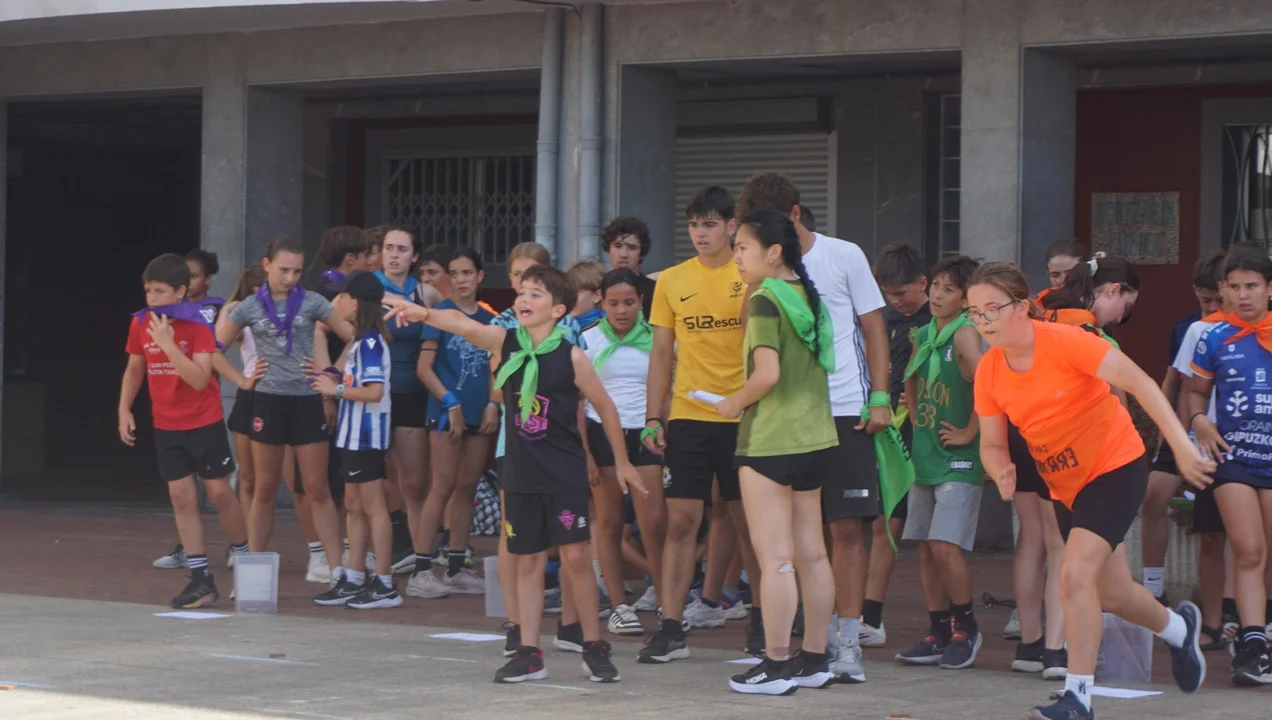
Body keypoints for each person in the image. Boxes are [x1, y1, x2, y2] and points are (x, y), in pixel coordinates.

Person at [969, 261, 1208, 720]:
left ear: (1021, 306)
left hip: (1115, 465)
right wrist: (999, 469)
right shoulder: (989, 371)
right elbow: (992, 443)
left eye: (991, 309)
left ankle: (1077, 697)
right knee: (1113, 593)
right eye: (974, 312)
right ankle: (1179, 630)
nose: (983, 321)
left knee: (1074, 573)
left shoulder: (1067, 342)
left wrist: (1181, 445)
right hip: (1065, 485)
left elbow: (1140, 384)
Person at [384, 264, 642, 684]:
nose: (524, 299)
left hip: (563, 473)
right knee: (527, 560)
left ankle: (593, 646)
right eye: (522, 292)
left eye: (536, 294)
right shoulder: (506, 342)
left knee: (577, 557)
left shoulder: (571, 356)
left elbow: (605, 408)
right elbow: (463, 325)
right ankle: (529, 650)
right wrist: (424, 313)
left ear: (557, 310)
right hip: (521, 472)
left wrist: (623, 462)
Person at [736, 173, 890, 682]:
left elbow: (872, 325)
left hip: (845, 409)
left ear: (795, 215)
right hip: (787, 419)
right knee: (803, 541)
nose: (741, 250)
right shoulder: (760, 277)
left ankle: (844, 644)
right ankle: (804, 648)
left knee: (844, 529)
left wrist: (880, 397)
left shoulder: (843, 255)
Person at [715, 209, 838, 695]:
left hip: (770, 441)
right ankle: (815, 659)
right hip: (817, 438)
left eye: (742, 248)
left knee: (777, 560)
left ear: (773, 252)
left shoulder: (765, 298)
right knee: (813, 555)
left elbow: (766, 375)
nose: (736, 257)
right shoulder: (807, 293)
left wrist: (732, 403)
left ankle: (776, 663)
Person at [641, 185, 762, 663]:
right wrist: (653, 417)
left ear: (732, 226)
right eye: (694, 224)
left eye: (710, 224)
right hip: (689, 415)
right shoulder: (672, 280)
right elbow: (660, 355)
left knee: (749, 524)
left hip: (744, 413)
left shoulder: (750, 274)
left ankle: (762, 623)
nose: (701, 233)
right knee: (681, 522)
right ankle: (671, 628)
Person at [120, 254, 257, 608]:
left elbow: (199, 379)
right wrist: (124, 408)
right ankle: (201, 579)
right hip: (166, 423)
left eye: (159, 291)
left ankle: (245, 560)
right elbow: (135, 368)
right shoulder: (141, 322)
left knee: (219, 493)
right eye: (148, 291)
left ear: (180, 292)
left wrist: (168, 345)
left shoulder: (198, 324)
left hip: (203, 421)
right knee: (181, 497)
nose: (152, 298)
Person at [219, 236, 355, 579]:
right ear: (266, 265)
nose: (290, 278)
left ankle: (337, 573)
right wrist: (242, 381)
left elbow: (354, 336)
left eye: (297, 271)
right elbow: (211, 350)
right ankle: (251, 576)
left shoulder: (312, 301)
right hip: (267, 401)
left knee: (317, 488)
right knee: (264, 488)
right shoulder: (248, 306)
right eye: (283, 270)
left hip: (307, 400)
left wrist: (331, 372)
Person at [489, 241, 588, 656]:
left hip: (561, 445)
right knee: (515, 537)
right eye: (517, 278)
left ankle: (572, 624)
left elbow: (579, 397)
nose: (523, 288)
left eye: (533, 280)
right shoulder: (504, 330)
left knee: (571, 542)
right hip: (515, 442)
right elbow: (496, 391)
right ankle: (518, 625)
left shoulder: (570, 332)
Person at [1186, 246, 1272, 685]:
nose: (1243, 295)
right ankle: (1252, 646)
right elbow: (1195, 392)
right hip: (1232, 457)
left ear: (1269, 289)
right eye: (1235, 287)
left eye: (1252, 286)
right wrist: (1200, 421)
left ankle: (1260, 631)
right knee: (1249, 550)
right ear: (1223, 289)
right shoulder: (1213, 336)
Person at [896, 255, 986, 670]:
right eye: (935, 285)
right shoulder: (924, 333)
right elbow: (910, 376)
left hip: (959, 459)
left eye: (949, 289)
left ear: (966, 299)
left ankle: (967, 627)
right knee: (925, 548)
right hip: (927, 453)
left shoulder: (965, 333)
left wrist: (969, 431)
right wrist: (915, 415)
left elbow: (991, 384)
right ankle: (938, 631)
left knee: (945, 546)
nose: (936, 294)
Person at [581, 268, 668, 637]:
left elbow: (667, 389)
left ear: (641, 302)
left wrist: (662, 426)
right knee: (610, 522)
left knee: (655, 524)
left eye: (629, 302)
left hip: (645, 434)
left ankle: (667, 604)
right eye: (614, 303)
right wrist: (586, 452)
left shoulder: (658, 338)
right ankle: (619, 606)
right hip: (601, 435)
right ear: (601, 301)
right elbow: (578, 401)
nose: (621, 310)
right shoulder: (587, 340)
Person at [310, 271, 402, 610]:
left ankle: (385, 583)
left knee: (373, 506)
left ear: (356, 303)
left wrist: (334, 389)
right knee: (353, 503)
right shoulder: (359, 342)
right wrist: (329, 378)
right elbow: (351, 379)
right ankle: (354, 576)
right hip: (352, 435)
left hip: (366, 435)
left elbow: (374, 391)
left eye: (342, 296)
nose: (337, 303)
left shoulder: (371, 343)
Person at [412, 247, 498, 597]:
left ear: (480, 276)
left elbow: (496, 368)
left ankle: (456, 566)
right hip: (446, 412)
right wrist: (449, 402)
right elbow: (423, 368)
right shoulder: (438, 315)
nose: (461, 279)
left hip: (480, 412)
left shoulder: (491, 320)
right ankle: (420, 570)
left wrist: (494, 403)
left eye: (467, 273)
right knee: (442, 485)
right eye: (455, 273)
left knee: (468, 487)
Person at [1140, 251, 1225, 606]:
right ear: (1195, 292)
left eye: (1219, 300)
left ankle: (1225, 604)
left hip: (1221, 433)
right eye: (1206, 300)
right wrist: (1165, 425)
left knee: (1218, 524)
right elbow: (1172, 380)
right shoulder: (1186, 328)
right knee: (1154, 496)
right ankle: (1152, 588)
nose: (1213, 307)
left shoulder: (1242, 328)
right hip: (1183, 431)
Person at [859, 242, 929, 647]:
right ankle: (865, 615)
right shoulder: (880, 323)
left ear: (923, 283)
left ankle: (874, 615)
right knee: (877, 521)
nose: (896, 301)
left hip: (921, 432)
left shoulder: (936, 323)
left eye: (902, 293)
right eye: (889, 294)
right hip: (880, 428)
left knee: (897, 525)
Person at [370, 229, 444, 585]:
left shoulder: (426, 293)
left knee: (414, 483)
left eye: (402, 249)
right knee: (370, 481)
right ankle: (372, 559)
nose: (394, 255)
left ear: (414, 256)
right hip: (371, 393)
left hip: (412, 393)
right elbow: (328, 324)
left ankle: (421, 562)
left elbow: (449, 327)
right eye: (389, 248)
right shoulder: (366, 288)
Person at [150, 247, 228, 571]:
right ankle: (189, 551)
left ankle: (240, 547)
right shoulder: (155, 318)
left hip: (203, 409)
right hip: (170, 415)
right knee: (182, 493)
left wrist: (242, 380)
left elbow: (211, 359)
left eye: (194, 276)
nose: (188, 280)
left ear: (206, 280)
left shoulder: (209, 312)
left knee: (218, 490)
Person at [601, 216, 658, 316]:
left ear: (642, 253)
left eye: (632, 248)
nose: (624, 254)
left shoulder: (656, 292)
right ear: (608, 249)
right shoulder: (598, 289)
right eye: (618, 246)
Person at [1038, 237, 1088, 304]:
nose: (1063, 280)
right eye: (1055, 275)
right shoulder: (1041, 304)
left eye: (1071, 273)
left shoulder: (1098, 301)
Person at [566, 260, 606, 328]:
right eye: (567, 292)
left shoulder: (606, 330)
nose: (569, 298)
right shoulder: (559, 327)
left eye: (576, 292)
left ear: (598, 295)